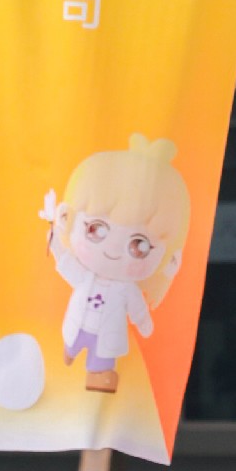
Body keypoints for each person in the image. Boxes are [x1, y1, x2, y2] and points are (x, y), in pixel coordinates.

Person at [46, 135, 189, 396]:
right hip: (78, 324)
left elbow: (137, 308)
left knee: (101, 362)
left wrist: (144, 324)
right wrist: (55, 242)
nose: (112, 250)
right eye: (96, 229)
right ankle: (69, 354)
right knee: (71, 343)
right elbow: (65, 263)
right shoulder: (85, 277)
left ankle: (97, 375)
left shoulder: (126, 290)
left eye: (139, 245)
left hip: (107, 335)